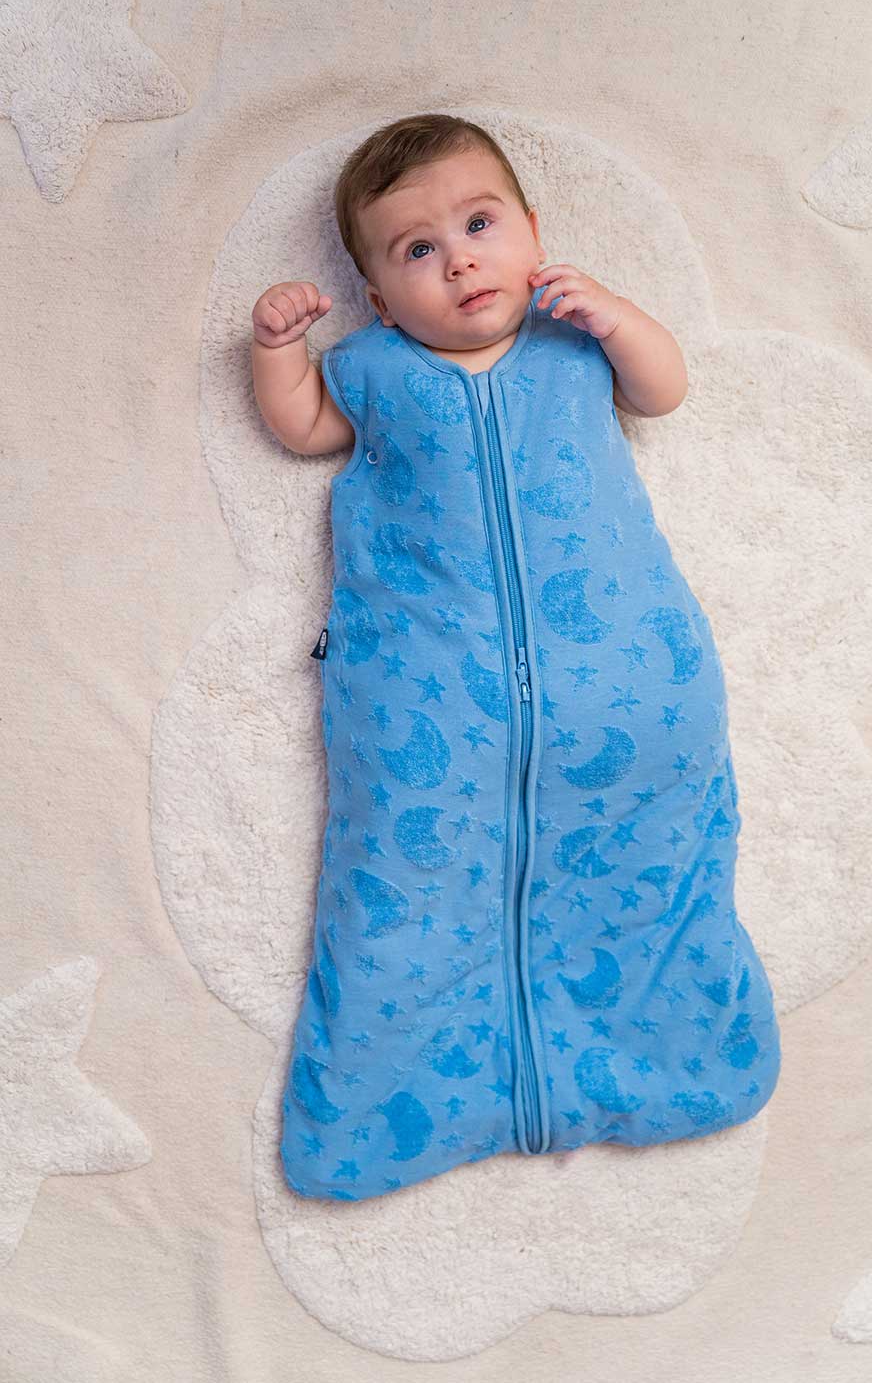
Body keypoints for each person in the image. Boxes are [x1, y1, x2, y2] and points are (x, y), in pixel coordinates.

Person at [251, 114, 781, 1203]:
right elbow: (301, 427)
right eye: (418, 250)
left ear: (535, 233)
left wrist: (620, 319)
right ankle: (397, 1106)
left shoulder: (574, 341)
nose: (460, 260)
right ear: (376, 297)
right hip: (430, 711)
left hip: (631, 689)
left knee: (653, 872)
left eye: (481, 224)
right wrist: (275, 352)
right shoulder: (371, 370)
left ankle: (675, 1064)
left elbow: (665, 388)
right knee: (402, 886)